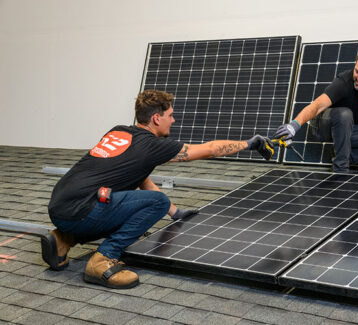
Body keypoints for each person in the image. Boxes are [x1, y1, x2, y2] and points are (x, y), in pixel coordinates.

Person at [42, 89, 273, 289]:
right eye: (170, 116)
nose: (173, 120)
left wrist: (175, 212)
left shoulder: (119, 131)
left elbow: (140, 176)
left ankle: (62, 239)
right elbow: (210, 149)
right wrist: (249, 144)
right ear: (156, 118)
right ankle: (103, 259)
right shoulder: (152, 145)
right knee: (156, 202)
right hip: (83, 210)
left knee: (132, 202)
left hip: (60, 206)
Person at [274, 47, 358, 179]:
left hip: (353, 127)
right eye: (357, 71)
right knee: (345, 114)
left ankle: (341, 153)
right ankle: (341, 169)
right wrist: (294, 125)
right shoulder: (344, 81)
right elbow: (318, 105)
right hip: (324, 125)